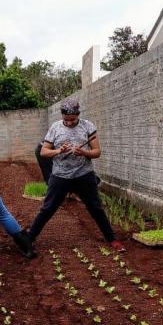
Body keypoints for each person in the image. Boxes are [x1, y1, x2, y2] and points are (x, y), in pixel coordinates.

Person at [25, 98, 125, 252]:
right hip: (60, 176)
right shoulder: (55, 128)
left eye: (73, 119)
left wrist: (84, 152)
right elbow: (44, 151)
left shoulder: (88, 126)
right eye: (67, 119)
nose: (70, 123)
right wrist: (59, 150)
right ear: (62, 115)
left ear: (78, 114)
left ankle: (112, 239)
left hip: (84, 175)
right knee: (48, 208)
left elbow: (97, 152)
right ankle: (29, 238)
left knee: (96, 208)